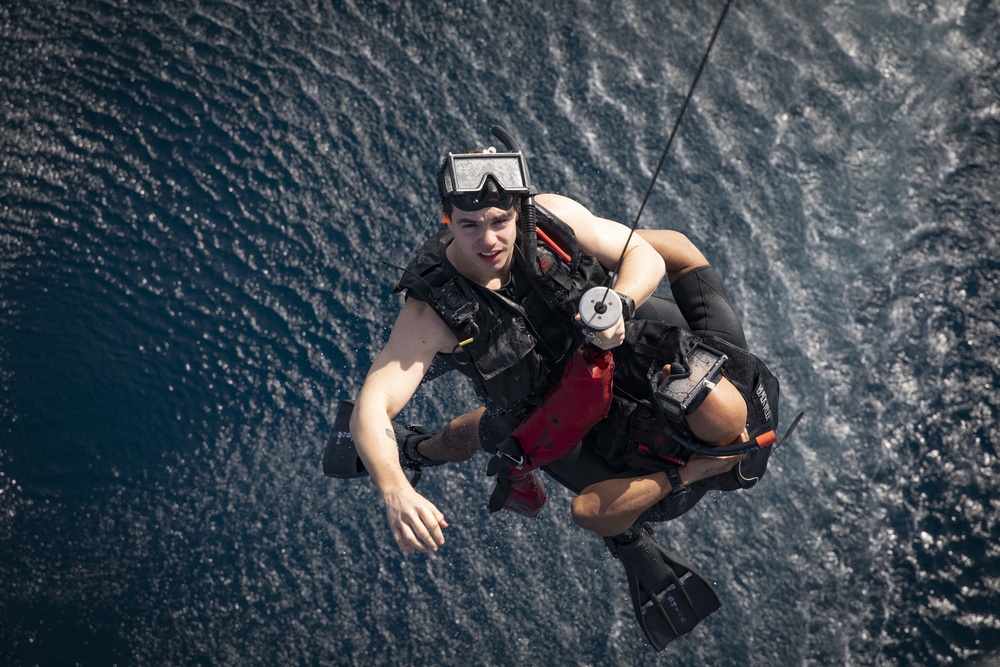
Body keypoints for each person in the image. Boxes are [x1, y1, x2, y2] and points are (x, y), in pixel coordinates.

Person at [335, 127, 783, 651]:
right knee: (668, 249)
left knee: (502, 433)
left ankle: (421, 448)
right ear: (446, 221)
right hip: (595, 352)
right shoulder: (429, 313)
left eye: (501, 220)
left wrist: (621, 302)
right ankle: (410, 454)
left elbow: (641, 257)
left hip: (580, 406)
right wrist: (395, 491)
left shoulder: (545, 215)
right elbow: (372, 402)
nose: (489, 240)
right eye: (469, 224)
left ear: (520, 208)